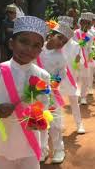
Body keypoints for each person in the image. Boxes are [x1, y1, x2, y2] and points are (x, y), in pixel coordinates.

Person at [0, 16, 49, 169]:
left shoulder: (43, 76)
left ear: (40, 50)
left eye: (36, 45)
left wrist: (36, 113)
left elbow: (43, 105)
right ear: (11, 43)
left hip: (29, 142)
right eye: (24, 41)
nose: (29, 49)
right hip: (2, 141)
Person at [37, 22, 73, 163]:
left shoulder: (61, 57)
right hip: (34, 92)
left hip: (51, 92)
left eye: (65, 42)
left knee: (55, 123)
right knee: (39, 121)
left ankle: (59, 150)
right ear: (51, 35)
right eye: (60, 38)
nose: (61, 43)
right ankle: (42, 150)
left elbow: (61, 75)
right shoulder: (37, 49)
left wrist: (52, 84)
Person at [58, 16, 86, 134]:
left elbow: (80, 64)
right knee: (56, 103)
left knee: (74, 101)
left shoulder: (75, 45)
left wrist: (77, 61)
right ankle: (58, 124)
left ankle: (79, 124)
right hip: (57, 79)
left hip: (71, 78)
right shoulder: (55, 44)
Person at [74, 12, 94, 105]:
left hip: (86, 59)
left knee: (85, 78)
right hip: (75, 58)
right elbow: (72, 46)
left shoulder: (90, 35)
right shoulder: (75, 33)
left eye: (88, 23)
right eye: (84, 22)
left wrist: (90, 59)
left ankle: (83, 97)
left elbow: (90, 48)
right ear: (81, 22)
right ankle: (76, 95)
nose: (86, 25)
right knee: (76, 77)